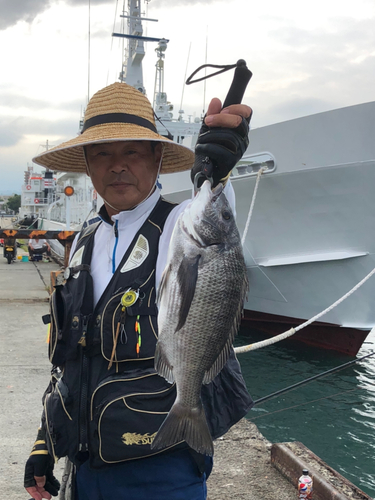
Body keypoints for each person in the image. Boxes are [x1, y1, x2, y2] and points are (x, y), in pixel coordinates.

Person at [24, 82, 253, 500]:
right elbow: (72, 354)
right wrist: (46, 441)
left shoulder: (179, 225)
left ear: (157, 158)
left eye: (132, 151)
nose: (117, 166)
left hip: (160, 469)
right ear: (88, 167)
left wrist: (216, 170)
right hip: (86, 467)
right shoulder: (83, 240)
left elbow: (216, 221)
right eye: (103, 154)